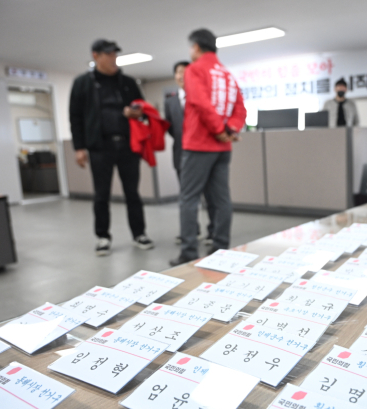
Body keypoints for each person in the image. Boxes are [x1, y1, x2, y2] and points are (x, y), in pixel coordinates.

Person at [69, 39, 154, 256]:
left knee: (132, 192)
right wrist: (79, 147)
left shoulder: (128, 82)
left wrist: (136, 113)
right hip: (100, 147)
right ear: (96, 56)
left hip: (127, 145)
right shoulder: (82, 83)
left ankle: (139, 234)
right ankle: (103, 237)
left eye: (115, 54)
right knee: (101, 194)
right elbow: (75, 117)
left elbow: (143, 109)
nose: (113, 58)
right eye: (109, 54)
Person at [170, 29, 246, 266]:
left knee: (189, 199)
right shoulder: (227, 74)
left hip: (199, 145)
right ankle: (221, 247)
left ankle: (189, 252)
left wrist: (218, 130)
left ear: (195, 47)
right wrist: (230, 130)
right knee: (221, 199)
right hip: (222, 148)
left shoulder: (195, 70)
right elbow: (240, 108)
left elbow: (200, 103)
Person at [164, 61, 215, 245]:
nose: (182, 76)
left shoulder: (203, 96)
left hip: (203, 152)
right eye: (178, 72)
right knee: (187, 196)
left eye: (185, 72)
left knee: (210, 195)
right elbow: (171, 127)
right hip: (181, 153)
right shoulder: (170, 101)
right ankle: (191, 231)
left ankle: (213, 231)